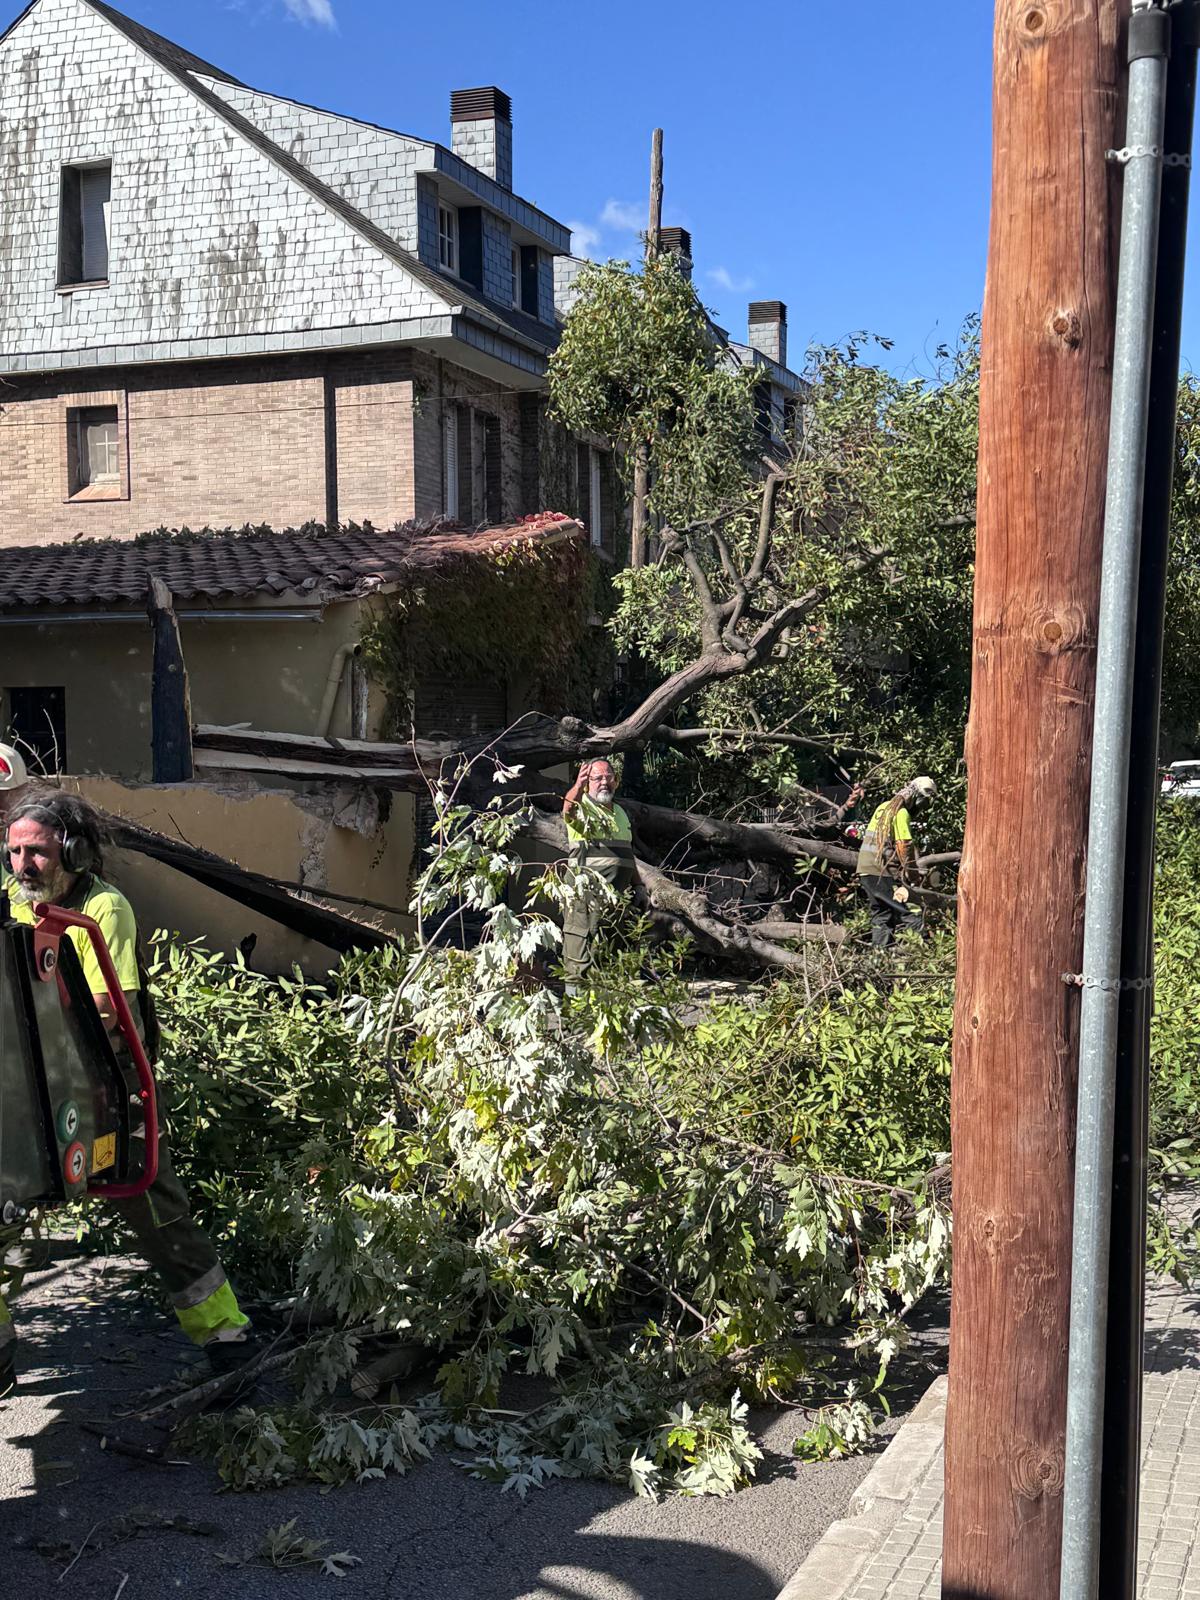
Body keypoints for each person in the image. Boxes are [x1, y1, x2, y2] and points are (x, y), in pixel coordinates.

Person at [0, 789, 255, 1398]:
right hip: (27, 1084)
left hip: (103, 1083)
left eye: (35, 853)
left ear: (71, 850)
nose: (21, 867)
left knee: (154, 1204)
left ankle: (226, 1338)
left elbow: (106, 1013)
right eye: (12, 852)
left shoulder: (103, 909)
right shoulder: (13, 900)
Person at [561, 759, 635, 986]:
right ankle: (577, 1013)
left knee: (609, 951)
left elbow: (626, 855)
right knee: (579, 952)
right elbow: (567, 809)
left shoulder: (620, 812)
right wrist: (576, 786)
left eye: (609, 777)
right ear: (586, 783)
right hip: (585, 897)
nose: (604, 782)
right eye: (597, 778)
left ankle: (604, 1007)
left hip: (616, 897)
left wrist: (639, 886)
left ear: (617, 781)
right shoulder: (581, 806)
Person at [856, 777, 938, 949]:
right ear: (920, 799)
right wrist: (912, 874)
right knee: (905, 911)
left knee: (881, 913)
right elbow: (904, 846)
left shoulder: (884, 807)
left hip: (866, 868)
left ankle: (880, 958)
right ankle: (927, 949)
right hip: (879, 870)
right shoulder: (901, 813)